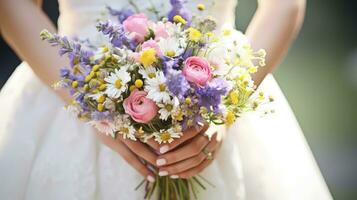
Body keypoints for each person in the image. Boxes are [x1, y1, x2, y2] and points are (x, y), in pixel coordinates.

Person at [0, 0, 332, 199]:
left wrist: (226, 105)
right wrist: (91, 102)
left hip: (218, 86)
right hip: (68, 87)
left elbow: (285, 4)